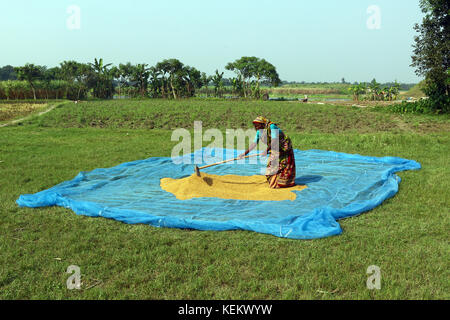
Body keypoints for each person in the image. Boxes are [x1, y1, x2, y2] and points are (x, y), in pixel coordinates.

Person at [239, 116, 296, 189]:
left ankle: (284, 182)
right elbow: (254, 144)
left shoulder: (271, 126)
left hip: (284, 146)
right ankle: (274, 181)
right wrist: (244, 154)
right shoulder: (259, 132)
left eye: (257, 125)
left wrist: (266, 151)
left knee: (283, 163)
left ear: (263, 124)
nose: (256, 128)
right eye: (255, 126)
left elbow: (274, 139)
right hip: (274, 146)